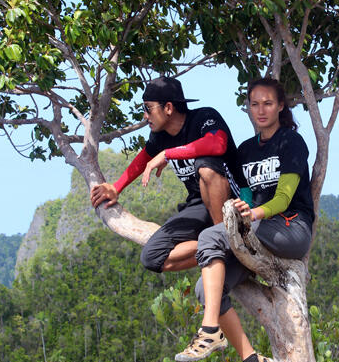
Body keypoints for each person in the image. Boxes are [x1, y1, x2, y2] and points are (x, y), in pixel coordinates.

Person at [175, 77, 315, 362]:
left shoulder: (291, 143)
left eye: (268, 103)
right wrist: (244, 209)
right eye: (254, 104)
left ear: (281, 106)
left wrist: (252, 215)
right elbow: (246, 191)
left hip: (289, 228)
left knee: (210, 237)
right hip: (258, 228)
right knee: (204, 290)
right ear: (248, 107)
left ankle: (209, 330)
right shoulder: (246, 151)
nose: (261, 110)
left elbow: (283, 198)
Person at [90, 76, 241, 273]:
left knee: (205, 166)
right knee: (152, 257)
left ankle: (223, 235)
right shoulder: (160, 136)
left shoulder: (204, 117)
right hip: (199, 204)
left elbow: (218, 143)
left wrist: (169, 154)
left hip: (231, 199)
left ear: (168, 108)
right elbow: (143, 159)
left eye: (148, 108)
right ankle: (220, 245)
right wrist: (115, 188)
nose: (145, 116)